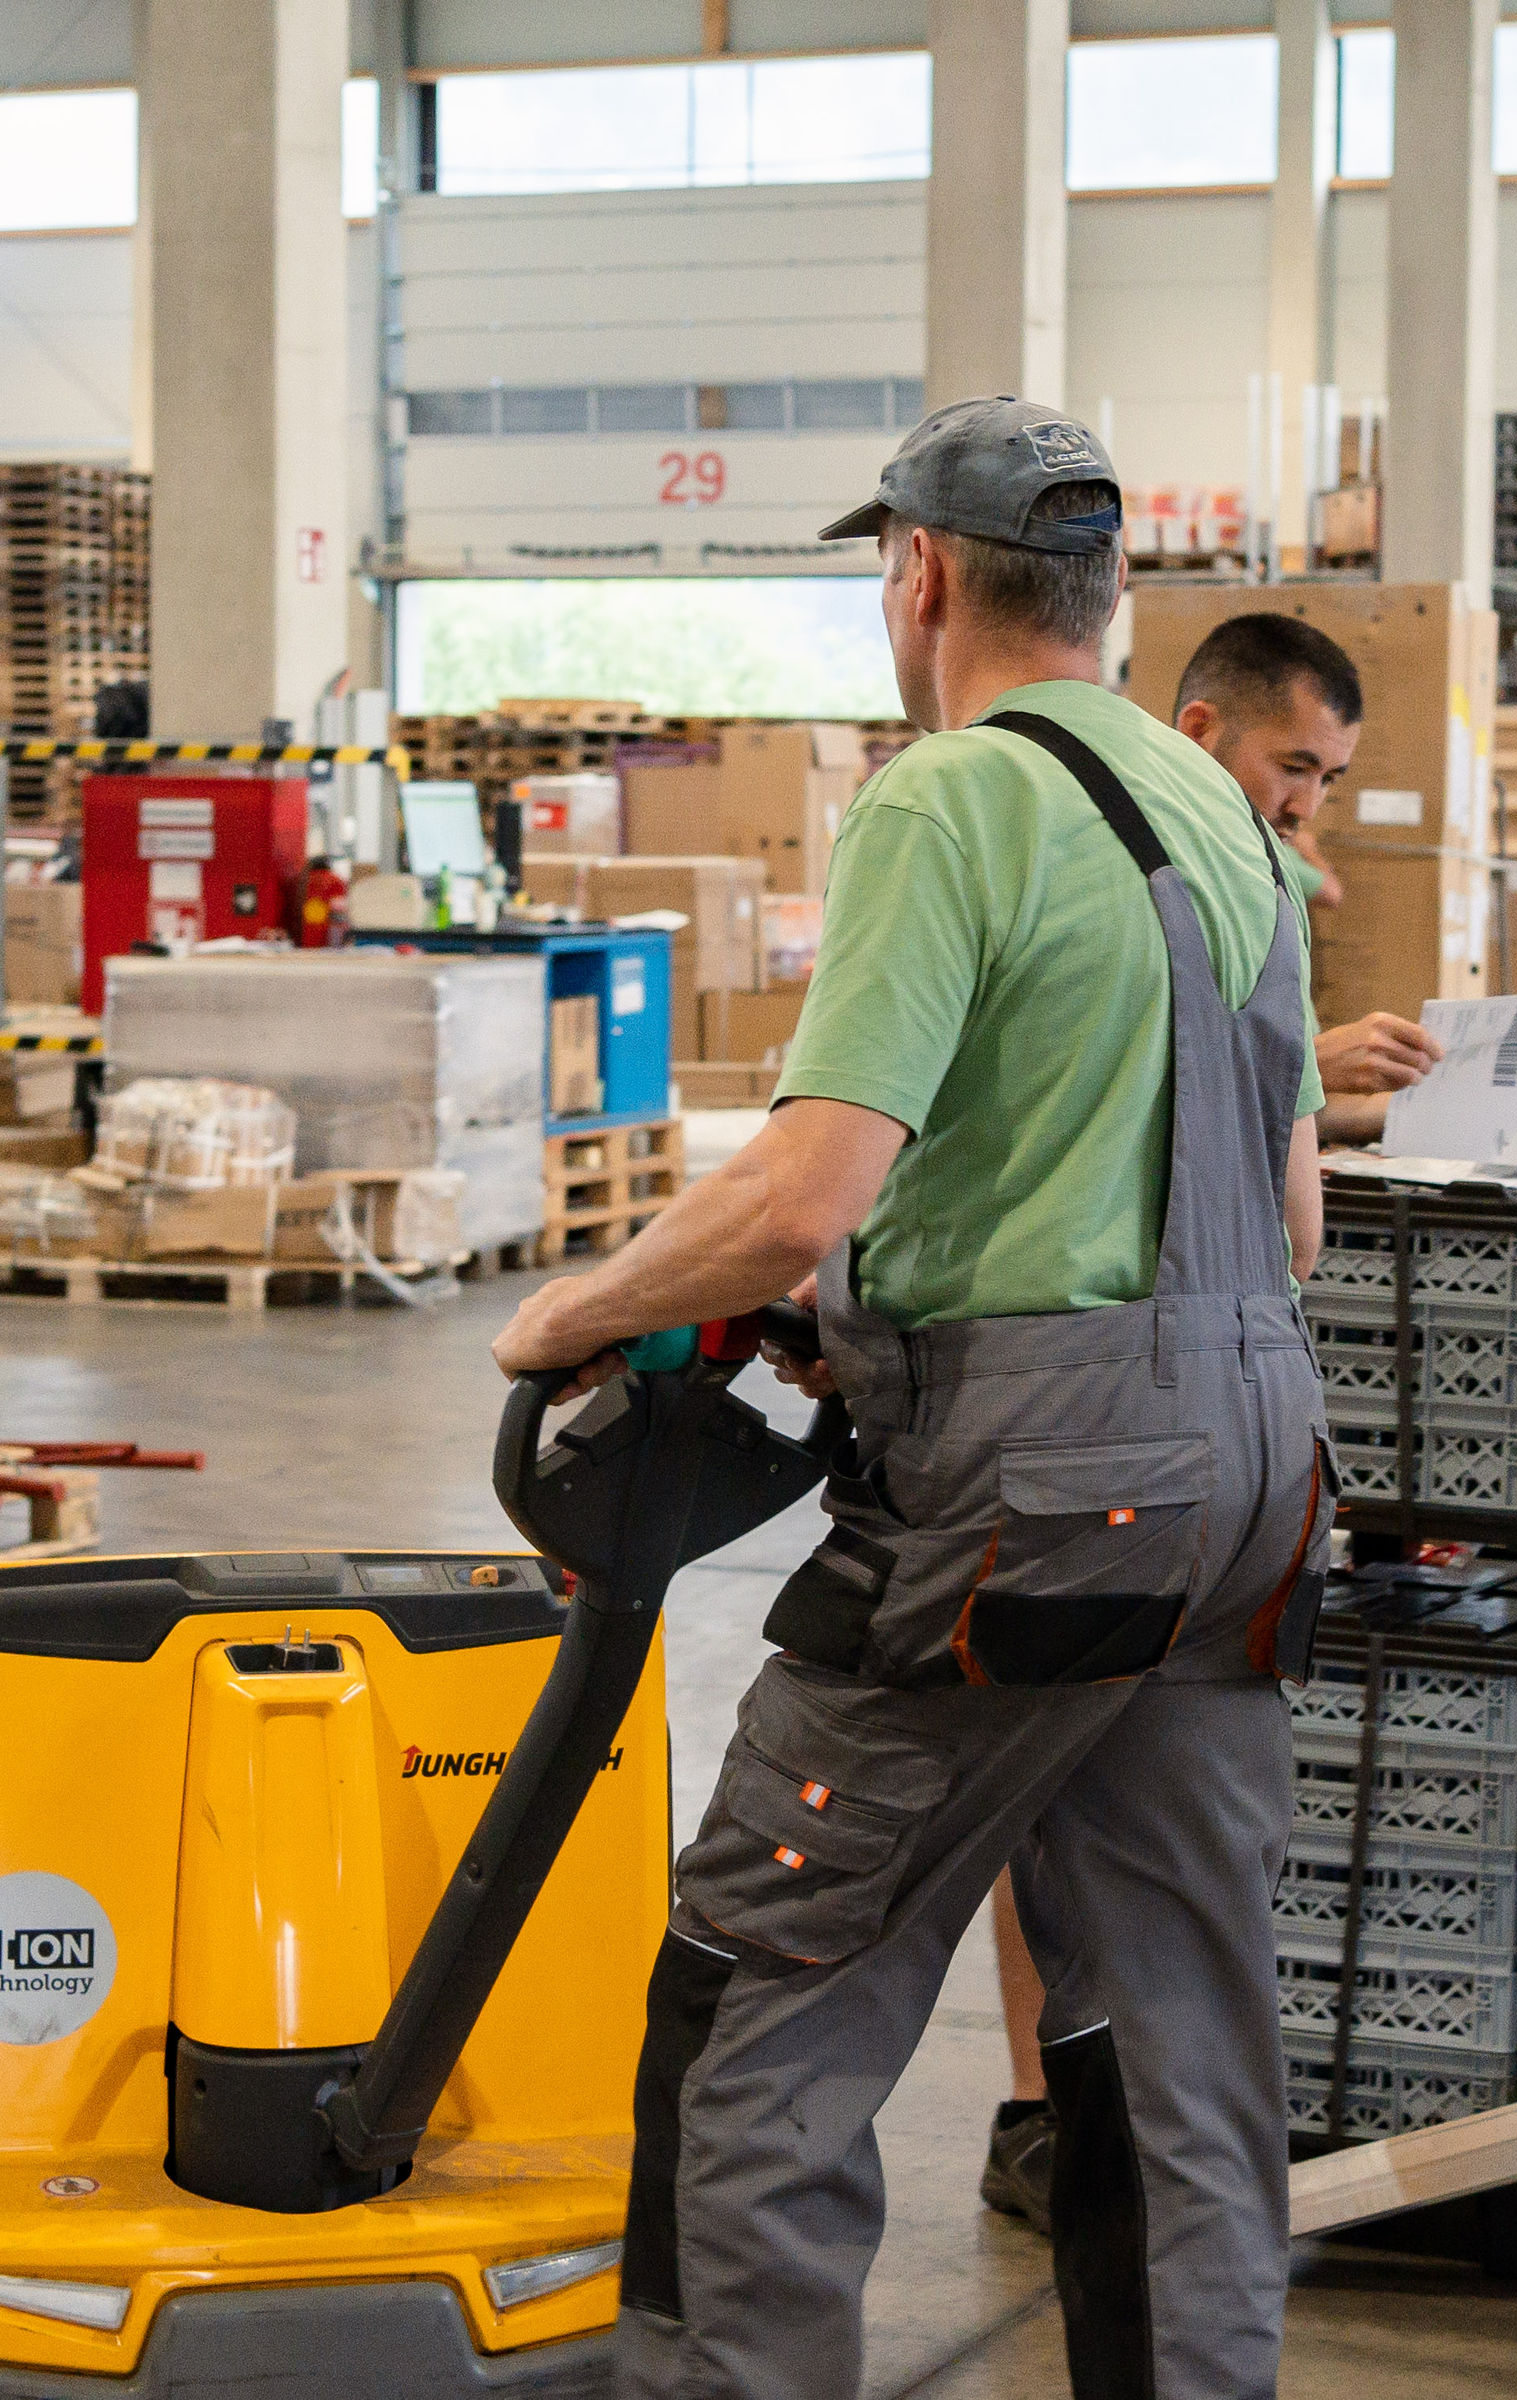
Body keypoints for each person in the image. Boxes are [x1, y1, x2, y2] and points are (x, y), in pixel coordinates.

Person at [491, 395, 1330, 2400]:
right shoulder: (1232, 817)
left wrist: (570, 1316)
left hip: (1034, 1506)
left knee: (765, 1982)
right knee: (1173, 2038)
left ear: (921, 576)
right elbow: (1286, 1222)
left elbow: (805, 1197)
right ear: (1116, 595)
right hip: (1257, 1485)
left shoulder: (946, 801)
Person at [969, 607, 1446, 2236]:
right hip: (1113, 1400)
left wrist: (1320, 1079)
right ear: (1201, 723)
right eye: (1293, 762)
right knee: (1054, 1776)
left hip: (1149, 1407)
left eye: (1330, 774)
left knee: (1097, 1780)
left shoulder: (1231, 873)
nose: (1310, 799)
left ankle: (1094, 2124)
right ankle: (1058, 2114)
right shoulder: (1106, 839)